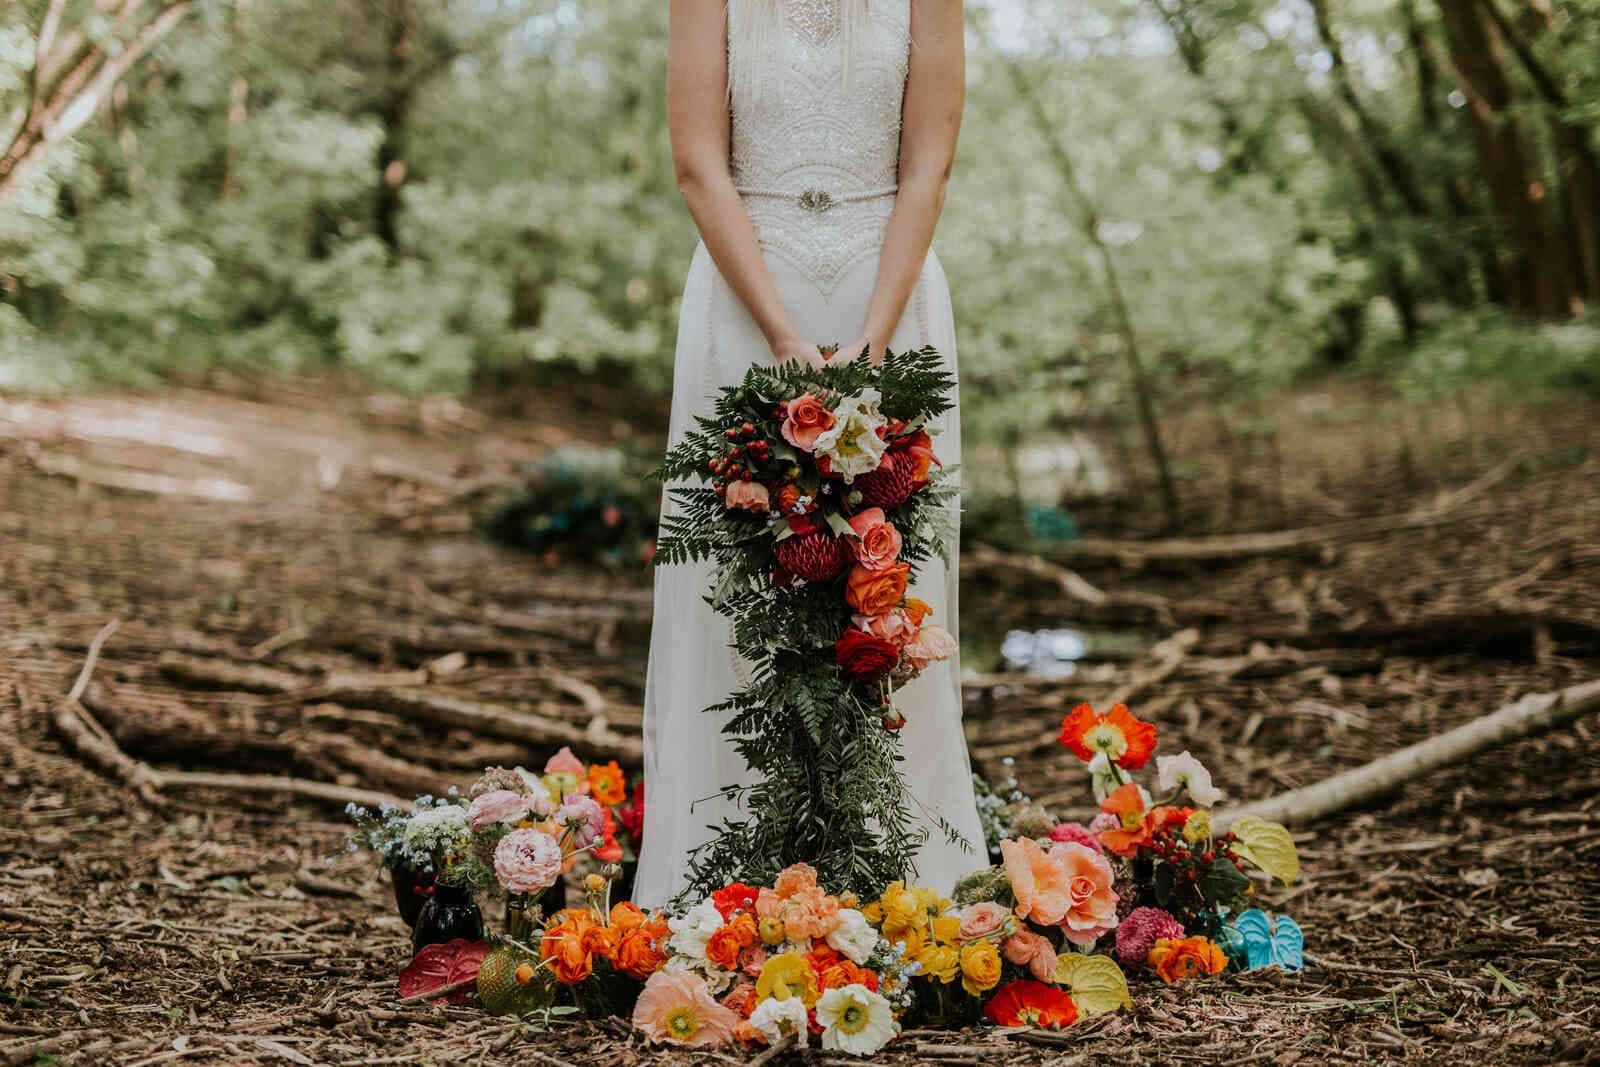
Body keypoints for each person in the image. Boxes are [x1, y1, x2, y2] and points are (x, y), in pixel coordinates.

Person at [634, 0, 984, 908]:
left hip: (890, 295)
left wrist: (872, 345)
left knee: (891, 594)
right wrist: (782, 336)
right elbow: (697, 164)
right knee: (737, 591)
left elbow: (928, 164)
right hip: (745, 297)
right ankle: (728, 888)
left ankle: (902, 889)